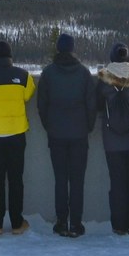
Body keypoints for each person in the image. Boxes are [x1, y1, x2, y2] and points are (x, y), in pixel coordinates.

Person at [36, 33, 98, 238]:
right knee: (77, 179)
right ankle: (76, 223)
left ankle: (61, 221)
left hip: (57, 133)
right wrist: (88, 127)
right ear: (72, 49)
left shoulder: (48, 73)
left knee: (60, 179)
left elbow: (42, 104)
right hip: (79, 133)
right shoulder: (83, 73)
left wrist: (49, 126)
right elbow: (91, 104)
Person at [0, 40, 36, 235]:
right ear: (11, 57)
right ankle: (17, 223)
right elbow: (28, 95)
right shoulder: (24, 76)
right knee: (16, 179)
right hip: (17, 133)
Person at [95, 43, 129, 236]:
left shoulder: (103, 81)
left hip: (112, 140)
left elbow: (99, 105)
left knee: (117, 184)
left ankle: (118, 225)